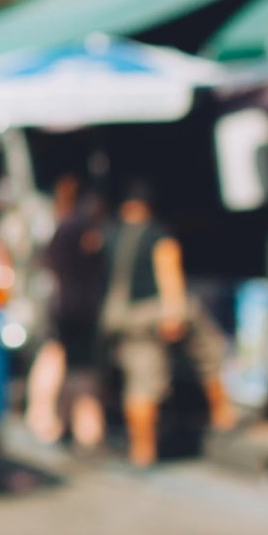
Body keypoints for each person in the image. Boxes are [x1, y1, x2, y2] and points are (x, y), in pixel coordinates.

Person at [100, 180, 237, 467]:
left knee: (139, 381)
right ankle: (222, 412)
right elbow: (169, 272)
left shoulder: (108, 235)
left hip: (122, 319)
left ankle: (142, 450)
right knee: (209, 351)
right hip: (154, 311)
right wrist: (174, 311)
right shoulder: (157, 235)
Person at [25, 176, 108, 452]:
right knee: (73, 365)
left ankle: (60, 422)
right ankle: (75, 426)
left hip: (64, 307)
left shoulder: (62, 228)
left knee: (66, 363)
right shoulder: (79, 228)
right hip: (77, 309)